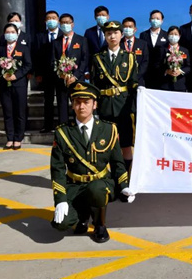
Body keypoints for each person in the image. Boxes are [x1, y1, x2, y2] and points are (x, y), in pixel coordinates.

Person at [50, 81, 133, 243]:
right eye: (77, 102)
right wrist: (60, 200)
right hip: (74, 184)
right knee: (61, 224)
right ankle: (82, 216)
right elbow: (57, 169)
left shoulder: (109, 129)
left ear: (95, 105)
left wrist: (124, 185)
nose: (81, 106)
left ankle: (100, 224)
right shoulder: (62, 132)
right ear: (72, 105)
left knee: (96, 189)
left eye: (86, 102)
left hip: (100, 182)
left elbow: (117, 162)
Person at [90, 21, 138, 186]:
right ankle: (109, 180)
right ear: (105, 36)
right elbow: (95, 85)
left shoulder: (129, 57)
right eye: (109, 33)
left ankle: (127, 180)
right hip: (105, 107)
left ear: (121, 35)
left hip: (123, 107)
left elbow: (133, 83)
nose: (112, 36)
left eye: (115, 33)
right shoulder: (98, 58)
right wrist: (94, 109)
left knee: (126, 145)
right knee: (105, 145)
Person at [0, 23, 32, 150]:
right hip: (4, 84)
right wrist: (2, 72)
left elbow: (28, 65)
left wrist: (16, 75)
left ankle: (18, 138)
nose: (10, 34)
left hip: (19, 84)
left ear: (17, 34)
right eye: (7, 32)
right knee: (7, 111)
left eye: (12, 32)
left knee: (19, 111)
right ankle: (9, 138)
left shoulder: (23, 48)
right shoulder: (0, 49)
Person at [52, 13, 90, 125]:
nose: (65, 25)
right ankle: (63, 129)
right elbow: (52, 60)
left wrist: (75, 76)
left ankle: (78, 128)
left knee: (78, 104)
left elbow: (84, 60)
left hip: (77, 80)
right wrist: (61, 74)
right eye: (63, 23)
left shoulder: (82, 40)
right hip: (61, 80)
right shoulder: (56, 42)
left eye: (68, 22)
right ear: (60, 24)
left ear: (72, 24)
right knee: (62, 105)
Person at [33, 10, 60, 133]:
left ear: (58, 20)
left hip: (61, 74)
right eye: (49, 18)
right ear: (45, 21)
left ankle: (62, 125)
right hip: (46, 74)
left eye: (53, 18)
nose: (51, 20)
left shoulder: (63, 35)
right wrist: (38, 73)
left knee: (61, 100)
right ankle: (48, 125)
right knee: (48, 100)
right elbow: (36, 56)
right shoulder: (40, 36)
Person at [140, 10, 168, 89]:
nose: (155, 20)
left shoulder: (166, 35)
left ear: (162, 20)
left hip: (162, 72)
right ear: (149, 20)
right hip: (147, 71)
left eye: (158, 18)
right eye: (153, 18)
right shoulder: (143, 35)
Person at [160, 26, 191, 92]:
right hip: (165, 85)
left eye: (176, 34)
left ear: (179, 36)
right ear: (167, 35)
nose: (173, 36)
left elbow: (188, 66)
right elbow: (157, 65)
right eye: (171, 34)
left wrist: (180, 71)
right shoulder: (162, 49)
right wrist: (166, 71)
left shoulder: (184, 50)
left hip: (180, 85)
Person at [120, 17, 149, 87]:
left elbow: (145, 62)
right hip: (121, 80)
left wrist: (136, 76)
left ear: (135, 29)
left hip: (138, 81)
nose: (128, 29)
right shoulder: (118, 43)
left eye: (130, 27)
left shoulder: (142, 44)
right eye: (125, 27)